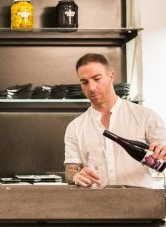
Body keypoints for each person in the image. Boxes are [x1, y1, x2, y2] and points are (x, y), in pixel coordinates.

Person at [64, 53, 166, 188]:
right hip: (95, 205)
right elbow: (71, 172)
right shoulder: (75, 127)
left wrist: (162, 152)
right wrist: (76, 175)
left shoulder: (145, 116)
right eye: (85, 82)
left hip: (140, 204)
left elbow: (163, 158)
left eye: (97, 78)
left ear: (111, 76)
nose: (92, 88)